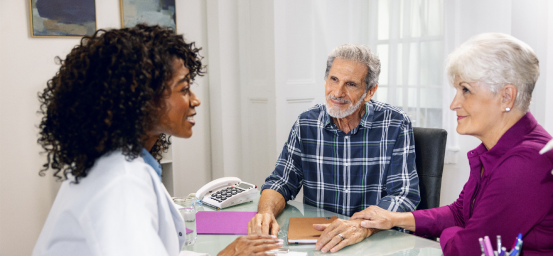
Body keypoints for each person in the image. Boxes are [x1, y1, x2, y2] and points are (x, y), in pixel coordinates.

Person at [33, 25, 283, 256]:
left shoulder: (116, 165)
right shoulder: (121, 182)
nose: (194, 100)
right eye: (184, 89)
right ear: (142, 99)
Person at [351, 33, 553, 255]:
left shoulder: (525, 164)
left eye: (465, 90)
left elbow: (465, 250)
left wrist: (451, 233)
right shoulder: (496, 150)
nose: (454, 104)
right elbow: (460, 213)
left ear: (506, 96)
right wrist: (393, 218)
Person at [247, 44, 421, 253]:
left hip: (377, 242)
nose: (337, 92)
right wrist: (265, 213)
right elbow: (280, 182)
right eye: (334, 80)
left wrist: (360, 226)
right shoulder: (306, 123)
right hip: (320, 244)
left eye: (351, 84)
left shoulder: (396, 123)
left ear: (369, 91)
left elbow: (403, 195)